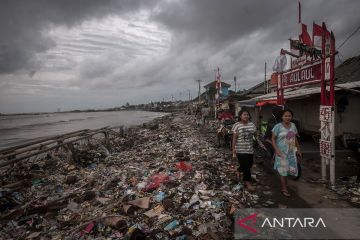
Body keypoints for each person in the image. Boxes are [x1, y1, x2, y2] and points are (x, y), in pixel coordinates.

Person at [271, 109, 302, 197]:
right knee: (283, 171)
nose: (287, 117)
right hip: (281, 152)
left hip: (291, 152)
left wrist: (299, 149)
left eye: (289, 116)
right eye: (285, 116)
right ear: (282, 117)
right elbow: (273, 139)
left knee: (289, 170)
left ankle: (285, 184)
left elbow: (294, 138)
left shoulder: (293, 125)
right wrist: (276, 150)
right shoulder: (278, 126)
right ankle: (284, 188)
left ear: (291, 117)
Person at [232, 109, 257, 191]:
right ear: (240, 116)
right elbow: (234, 138)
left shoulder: (252, 125)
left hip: (249, 149)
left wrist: (257, 138)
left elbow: (255, 134)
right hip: (240, 149)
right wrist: (233, 149)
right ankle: (248, 183)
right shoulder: (237, 125)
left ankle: (239, 170)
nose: (246, 116)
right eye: (244, 114)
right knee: (246, 167)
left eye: (247, 114)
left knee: (250, 164)